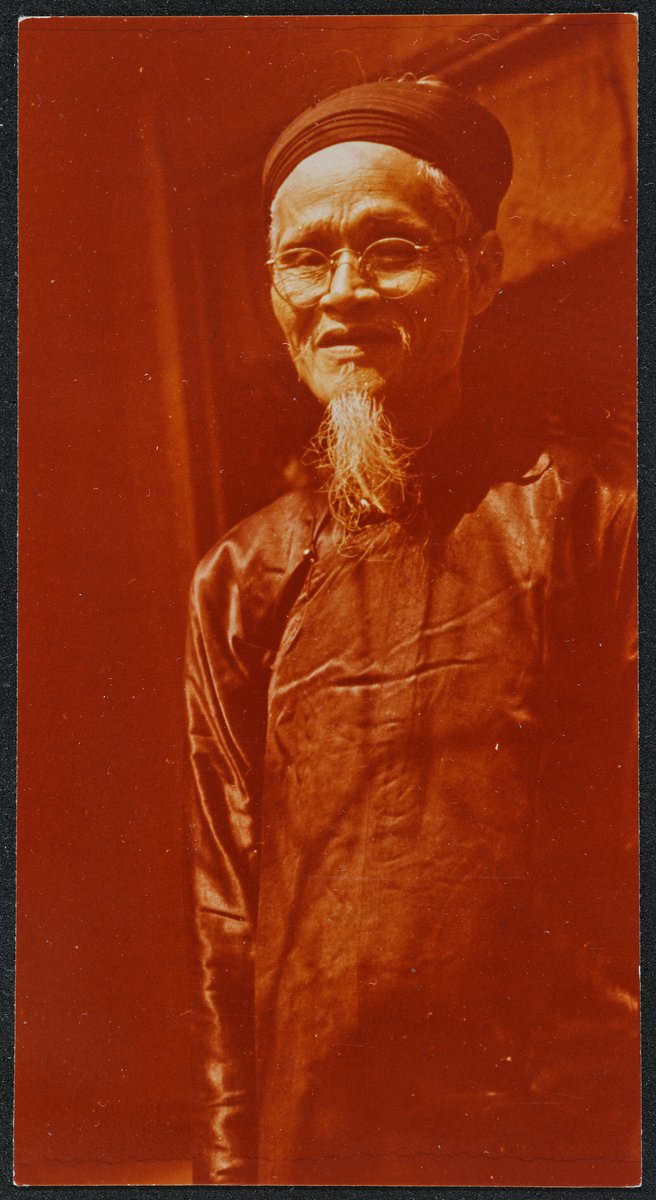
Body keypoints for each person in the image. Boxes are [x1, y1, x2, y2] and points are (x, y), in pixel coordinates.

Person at [184, 77, 639, 1186]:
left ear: (481, 273)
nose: (343, 292)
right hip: (315, 1147)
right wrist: (230, 1167)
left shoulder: (596, 520)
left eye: (390, 249)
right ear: (274, 291)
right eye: (305, 259)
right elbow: (226, 920)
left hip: (555, 1143)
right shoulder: (239, 581)